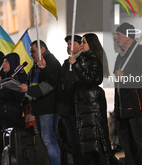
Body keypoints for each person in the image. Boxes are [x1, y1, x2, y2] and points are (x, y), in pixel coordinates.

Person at [114, 22, 142, 165]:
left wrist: (126, 75)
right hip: (125, 110)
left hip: (138, 108)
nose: (115, 38)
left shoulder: (141, 52)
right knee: (128, 146)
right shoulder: (120, 57)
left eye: (118, 34)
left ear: (128, 36)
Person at [69, 33, 111, 165]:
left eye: (84, 42)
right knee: (90, 147)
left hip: (92, 106)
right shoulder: (83, 60)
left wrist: (76, 65)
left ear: (91, 45)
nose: (81, 45)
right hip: (85, 106)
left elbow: (90, 80)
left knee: (98, 145)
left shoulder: (94, 60)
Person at [18, 40, 62, 165]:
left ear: (42, 50)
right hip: (39, 108)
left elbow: (51, 84)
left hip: (48, 108)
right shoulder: (36, 65)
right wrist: (22, 76)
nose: (31, 54)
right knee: (45, 141)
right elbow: (31, 82)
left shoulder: (51, 62)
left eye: (33, 51)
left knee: (49, 140)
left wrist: (30, 90)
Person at [58, 35, 89, 165]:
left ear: (79, 45)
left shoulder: (83, 61)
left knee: (81, 143)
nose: (68, 47)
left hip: (79, 110)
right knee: (73, 144)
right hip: (67, 111)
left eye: (71, 44)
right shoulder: (66, 64)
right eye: (67, 44)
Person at [0, 52, 27, 156]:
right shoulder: (7, 77)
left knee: (10, 147)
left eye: (6, 61)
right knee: (1, 147)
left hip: (12, 117)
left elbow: (15, 95)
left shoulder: (17, 78)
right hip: (4, 117)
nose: (3, 64)